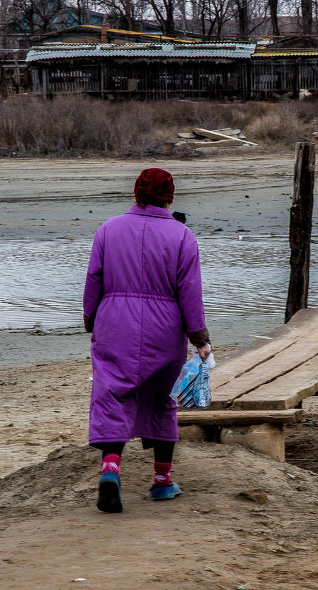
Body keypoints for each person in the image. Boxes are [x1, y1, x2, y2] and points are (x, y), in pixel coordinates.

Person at [83, 168, 211, 513]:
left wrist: (91, 318)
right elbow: (190, 291)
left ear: (137, 191)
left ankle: (111, 467)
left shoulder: (108, 230)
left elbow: (94, 278)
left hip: (115, 323)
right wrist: (198, 336)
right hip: (164, 328)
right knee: (160, 399)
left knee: (112, 394)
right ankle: (162, 481)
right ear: (169, 195)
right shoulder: (182, 236)